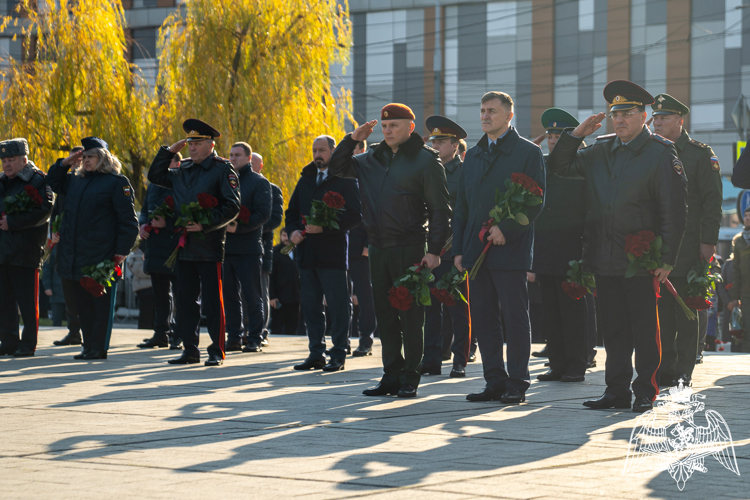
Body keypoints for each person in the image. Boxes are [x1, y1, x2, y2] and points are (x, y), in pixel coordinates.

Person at [547, 80, 688, 413]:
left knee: (643, 330)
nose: (619, 120)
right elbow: (559, 167)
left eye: (627, 113)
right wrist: (575, 135)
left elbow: (674, 210)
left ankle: (645, 392)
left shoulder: (660, 152)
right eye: (615, 114)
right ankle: (616, 391)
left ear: (643, 115)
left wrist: (667, 258)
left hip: (641, 259)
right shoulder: (599, 150)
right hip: (604, 256)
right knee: (613, 331)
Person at [329, 103, 451, 398]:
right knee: (385, 314)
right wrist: (352, 139)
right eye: (384, 126)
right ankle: (391, 375)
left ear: (410, 127)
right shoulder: (371, 157)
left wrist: (434, 250)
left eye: (394, 125)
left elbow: (440, 210)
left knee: (410, 315)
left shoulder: (425, 161)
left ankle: (411, 376)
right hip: (378, 249)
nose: (388, 131)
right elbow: (336, 168)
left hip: (409, 248)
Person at [453, 92, 545, 404]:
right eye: (482, 111)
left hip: (510, 249)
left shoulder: (527, 152)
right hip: (476, 252)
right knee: (483, 317)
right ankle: (494, 380)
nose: (485, 116)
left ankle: (517, 382)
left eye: (492, 111)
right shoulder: (474, 155)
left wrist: (506, 228)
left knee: (515, 317)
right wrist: (459, 250)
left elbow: (536, 201)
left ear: (509, 116)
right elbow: (462, 207)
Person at [147, 119, 241, 367]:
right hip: (183, 246)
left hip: (209, 246)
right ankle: (190, 350)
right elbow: (155, 175)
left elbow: (232, 206)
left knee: (212, 302)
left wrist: (206, 223)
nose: (192, 148)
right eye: (189, 143)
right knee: (185, 301)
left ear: (211, 145)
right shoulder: (183, 169)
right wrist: (169, 152)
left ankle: (216, 350)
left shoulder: (223, 170)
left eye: (197, 143)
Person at [651, 94, 723, 387]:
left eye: (663, 118)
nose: (657, 123)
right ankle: (665, 368)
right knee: (662, 312)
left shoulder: (699, 154)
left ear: (680, 121)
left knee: (687, 308)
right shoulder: (652, 151)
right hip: (657, 245)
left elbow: (712, 201)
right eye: (655, 118)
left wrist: (708, 242)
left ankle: (684, 369)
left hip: (690, 244)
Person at [47, 137, 139, 360]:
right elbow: (52, 181)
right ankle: (88, 346)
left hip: (101, 256)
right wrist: (65, 163)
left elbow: (128, 222)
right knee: (83, 306)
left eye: (91, 157)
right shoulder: (75, 181)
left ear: (103, 158)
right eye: (84, 157)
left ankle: (99, 347)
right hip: (75, 254)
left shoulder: (117, 182)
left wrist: (121, 251)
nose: (86, 161)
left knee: (100, 305)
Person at [287, 135, 362, 372]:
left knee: (338, 306)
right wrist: (293, 233)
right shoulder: (306, 177)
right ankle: (315, 353)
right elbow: (291, 213)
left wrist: (326, 227)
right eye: (314, 150)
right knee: (310, 306)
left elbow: (355, 215)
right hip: (307, 254)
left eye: (322, 150)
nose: (317, 155)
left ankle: (338, 353)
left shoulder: (344, 178)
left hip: (333, 254)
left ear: (333, 152)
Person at [532, 108, 588, 383]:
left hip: (573, 248)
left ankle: (577, 364)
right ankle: (557, 363)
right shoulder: (539, 162)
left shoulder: (582, 163)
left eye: (560, 135)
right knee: (550, 311)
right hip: (545, 247)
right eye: (551, 135)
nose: (553, 140)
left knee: (573, 310)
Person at [422, 115, 472, 378]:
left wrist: (461, 249)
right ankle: (430, 359)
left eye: (441, 142)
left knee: (456, 308)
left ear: (455, 145)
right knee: (429, 308)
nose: (436, 146)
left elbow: (468, 212)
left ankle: (459, 359)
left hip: (453, 251)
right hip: (429, 250)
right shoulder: (426, 169)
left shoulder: (465, 172)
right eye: (434, 141)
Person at [0, 138, 54, 357]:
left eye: (11, 160)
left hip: (25, 251)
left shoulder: (39, 180)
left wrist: (12, 223)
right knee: (4, 302)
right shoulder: (2, 181)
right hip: (2, 251)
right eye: (4, 160)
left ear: (24, 159)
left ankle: (28, 343)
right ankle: (8, 341)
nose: (6, 164)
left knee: (27, 303)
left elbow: (44, 210)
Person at [224, 142, 272, 352]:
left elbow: (264, 214)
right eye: (231, 155)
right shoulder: (226, 180)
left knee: (253, 295)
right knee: (229, 296)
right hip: (227, 248)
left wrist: (241, 227)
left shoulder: (259, 182)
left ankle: (254, 337)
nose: (232, 159)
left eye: (237, 155)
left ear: (248, 158)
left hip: (249, 248)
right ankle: (233, 336)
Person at [137, 152, 182, 349]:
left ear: (177, 163)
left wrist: (168, 223)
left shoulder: (180, 182)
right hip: (155, 245)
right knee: (160, 294)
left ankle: (179, 333)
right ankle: (160, 332)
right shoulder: (154, 184)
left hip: (174, 245)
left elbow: (186, 211)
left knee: (181, 294)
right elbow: (145, 209)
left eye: (168, 161)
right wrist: (142, 225)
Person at [51, 146, 83, 347]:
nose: (76, 162)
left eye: (80, 158)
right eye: (73, 158)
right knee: (68, 291)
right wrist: (53, 230)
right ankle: (73, 332)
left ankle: (88, 333)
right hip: (64, 245)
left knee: (84, 291)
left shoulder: (93, 181)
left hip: (83, 246)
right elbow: (56, 210)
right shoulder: (66, 182)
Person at [348, 139, 378, 357]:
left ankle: (366, 338)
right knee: (342, 296)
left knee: (365, 296)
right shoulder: (340, 176)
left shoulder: (368, 176)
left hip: (361, 250)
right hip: (340, 247)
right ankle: (342, 339)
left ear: (361, 150)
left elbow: (374, 212)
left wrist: (369, 242)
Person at [252, 152, 284, 347]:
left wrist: (248, 226)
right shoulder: (233, 187)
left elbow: (275, 219)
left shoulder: (271, 189)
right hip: (236, 249)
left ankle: (261, 330)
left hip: (261, 248)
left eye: (253, 163)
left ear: (261, 166)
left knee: (261, 291)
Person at [270, 229, 302, 335]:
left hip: (296, 298)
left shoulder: (299, 252)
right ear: (280, 236)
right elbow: (271, 276)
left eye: (288, 235)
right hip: (279, 300)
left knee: (293, 330)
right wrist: (272, 296)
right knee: (277, 329)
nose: (286, 238)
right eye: (284, 235)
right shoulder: (274, 253)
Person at [730, 208, 750, 353]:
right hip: (746, 291)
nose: (748, 218)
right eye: (746, 215)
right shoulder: (738, 240)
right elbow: (736, 270)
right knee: (747, 325)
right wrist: (735, 296)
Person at [127, 248, 154, 330]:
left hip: (156, 286)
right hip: (143, 288)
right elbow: (137, 269)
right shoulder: (137, 252)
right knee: (145, 317)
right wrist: (156, 271)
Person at [42, 246, 66, 326]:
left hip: (71, 291)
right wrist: (47, 286)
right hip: (56, 291)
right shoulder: (54, 249)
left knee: (73, 320)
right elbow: (47, 269)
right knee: (56, 320)